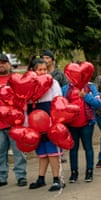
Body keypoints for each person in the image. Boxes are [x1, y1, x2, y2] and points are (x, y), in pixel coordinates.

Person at [27, 57, 64, 191]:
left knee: (53, 152)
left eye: (45, 69)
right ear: (33, 71)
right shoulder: (29, 84)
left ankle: (57, 179)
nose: (43, 72)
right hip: (35, 121)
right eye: (39, 70)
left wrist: (56, 121)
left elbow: (59, 100)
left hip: (49, 120)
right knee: (42, 152)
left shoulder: (53, 83)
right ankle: (41, 178)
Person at [62, 62, 101, 183]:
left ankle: (89, 172)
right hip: (72, 125)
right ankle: (74, 172)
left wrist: (85, 96)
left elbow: (98, 103)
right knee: (73, 149)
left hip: (87, 124)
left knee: (88, 147)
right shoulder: (65, 89)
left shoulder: (90, 86)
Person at [0, 53, 27, 187]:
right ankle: (1, 176)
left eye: (4, 62)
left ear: (9, 64)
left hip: (15, 123)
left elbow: (23, 98)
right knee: (0, 152)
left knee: (18, 151)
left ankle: (21, 175)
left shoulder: (16, 79)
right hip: (0, 123)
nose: (1, 64)